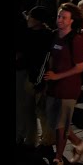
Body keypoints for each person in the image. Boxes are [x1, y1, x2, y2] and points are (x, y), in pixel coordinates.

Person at [41, 3, 83, 165]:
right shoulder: (55, 36)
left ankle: (58, 159)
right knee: (55, 123)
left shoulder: (75, 40)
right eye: (59, 16)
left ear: (72, 21)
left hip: (68, 88)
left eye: (64, 17)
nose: (59, 20)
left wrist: (56, 77)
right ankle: (79, 143)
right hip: (53, 87)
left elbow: (79, 67)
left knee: (61, 127)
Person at [18, 8, 51, 148]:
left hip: (40, 77)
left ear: (38, 20)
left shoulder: (47, 35)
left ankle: (48, 140)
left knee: (42, 110)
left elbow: (46, 59)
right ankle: (32, 138)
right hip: (30, 75)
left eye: (31, 17)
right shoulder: (27, 33)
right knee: (29, 108)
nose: (28, 19)